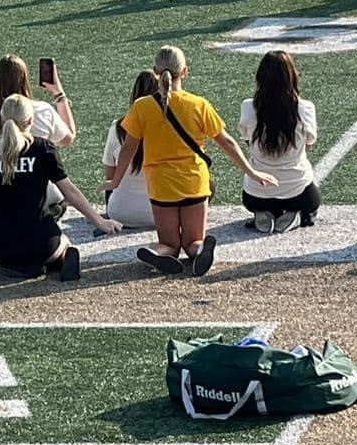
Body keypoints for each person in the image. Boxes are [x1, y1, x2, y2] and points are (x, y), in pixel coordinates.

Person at [110, 46, 276, 277]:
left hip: (161, 184)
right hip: (195, 181)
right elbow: (226, 142)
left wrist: (115, 180)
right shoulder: (199, 104)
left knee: (169, 243)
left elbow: (129, 147)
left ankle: (158, 253)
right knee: (193, 240)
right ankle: (200, 251)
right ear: (185, 72)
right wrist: (251, 171)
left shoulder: (142, 107)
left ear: (156, 70)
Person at [0, 95, 120, 281]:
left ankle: (20, 265)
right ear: (30, 120)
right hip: (40, 242)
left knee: (9, 235)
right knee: (64, 241)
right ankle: (59, 260)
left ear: (1, 119)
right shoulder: (43, 148)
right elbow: (69, 191)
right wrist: (100, 222)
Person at [0, 54, 75, 213]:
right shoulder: (43, 110)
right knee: (56, 197)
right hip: (41, 193)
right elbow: (68, 138)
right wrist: (60, 95)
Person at [238, 50, 320, 233]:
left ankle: (263, 213)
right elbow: (309, 145)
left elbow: (247, 141)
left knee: (261, 196)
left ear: (260, 77)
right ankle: (294, 213)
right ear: (292, 77)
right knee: (312, 201)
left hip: (255, 195)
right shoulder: (305, 108)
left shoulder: (248, 107)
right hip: (298, 193)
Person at [102, 72, 159, 230]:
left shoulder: (117, 127)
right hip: (162, 213)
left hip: (119, 212)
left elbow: (110, 174)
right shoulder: (166, 128)